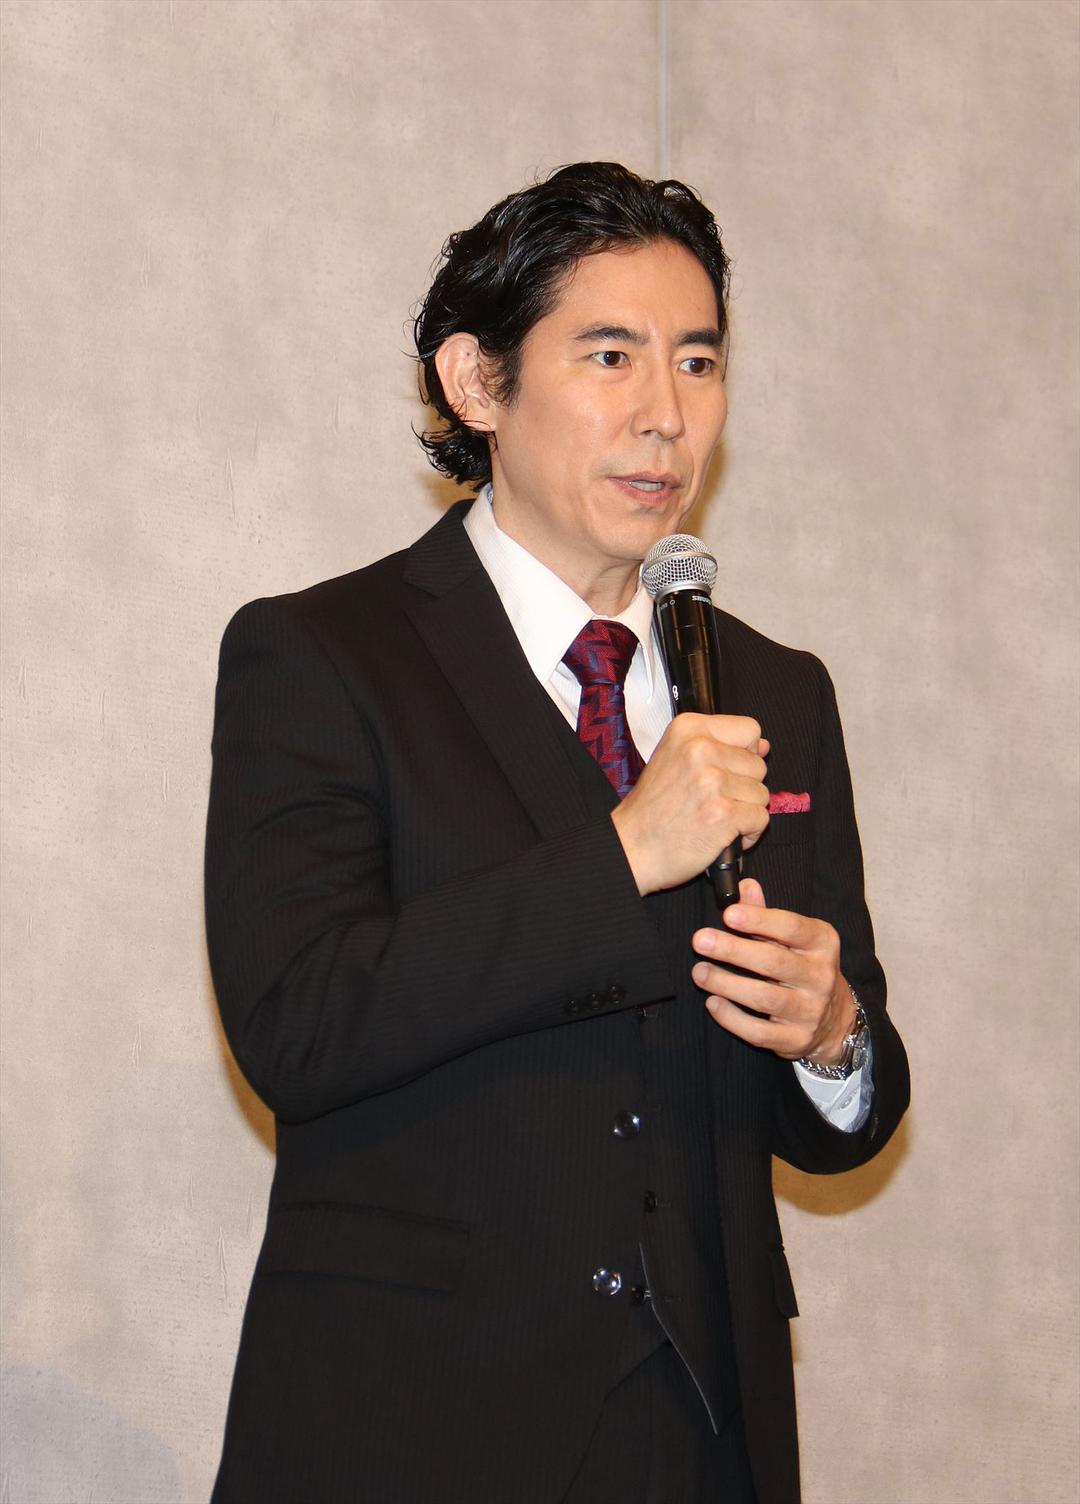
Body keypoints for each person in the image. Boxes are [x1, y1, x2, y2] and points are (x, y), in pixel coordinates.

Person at [205, 161, 909, 1504]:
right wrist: (625, 856)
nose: (666, 415)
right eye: (610, 355)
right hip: (411, 1424)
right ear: (478, 382)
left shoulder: (776, 690)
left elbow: (841, 1127)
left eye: (698, 362)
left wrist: (832, 1036)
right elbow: (297, 1024)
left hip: (704, 1432)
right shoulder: (325, 656)